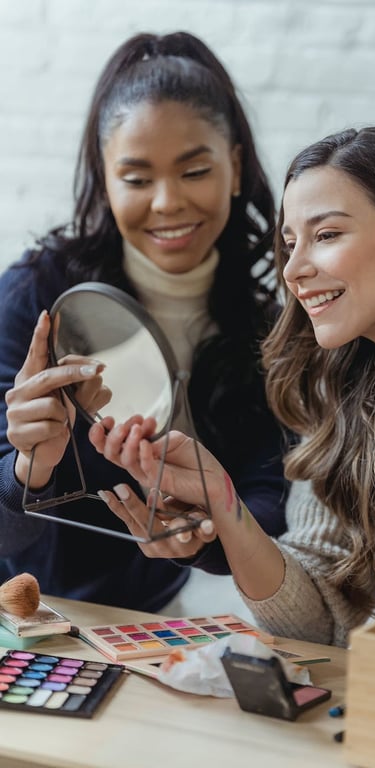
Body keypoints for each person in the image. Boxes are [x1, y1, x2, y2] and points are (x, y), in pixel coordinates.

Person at [90, 125, 375, 674]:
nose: (293, 270)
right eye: (290, 243)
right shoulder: (343, 372)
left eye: (327, 235)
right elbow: (315, 622)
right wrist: (224, 503)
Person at [0, 32, 289, 611]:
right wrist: (30, 466)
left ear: (233, 167)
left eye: (193, 170)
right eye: (136, 178)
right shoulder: (37, 293)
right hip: (32, 620)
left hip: (153, 625)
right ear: (106, 181)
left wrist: (204, 532)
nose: (166, 202)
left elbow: (268, 502)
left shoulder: (267, 328)